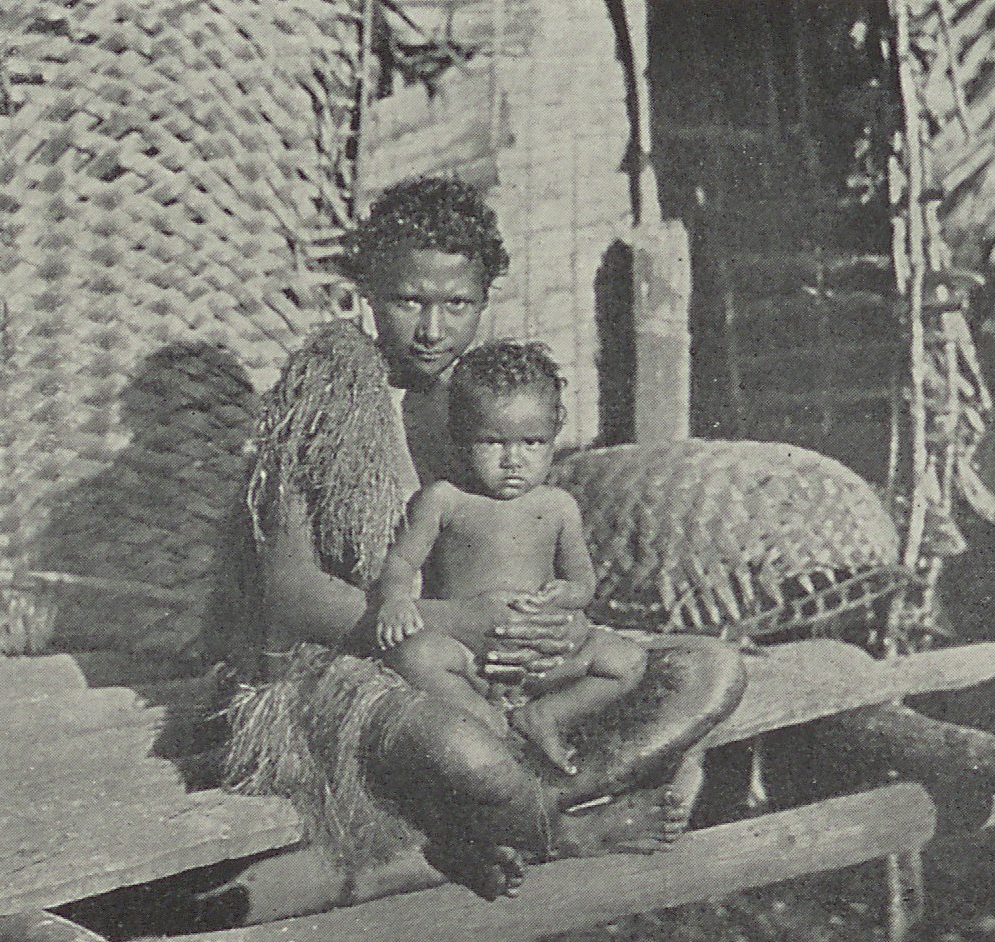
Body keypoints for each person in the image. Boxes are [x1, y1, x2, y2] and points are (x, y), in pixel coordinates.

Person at [227, 177, 745, 905]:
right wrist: (453, 621)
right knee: (467, 754)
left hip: (509, 669)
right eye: (409, 301)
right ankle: (555, 831)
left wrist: (552, 622)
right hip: (367, 665)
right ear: (368, 292)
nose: (433, 330)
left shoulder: (491, 401)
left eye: (457, 305)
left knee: (710, 671)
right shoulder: (324, 402)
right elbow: (288, 595)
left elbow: (533, 548)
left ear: (485, 299)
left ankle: (494, 821)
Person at [375, 341, 648, 774]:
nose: (513, 460)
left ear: (555, 434)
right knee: (416, 657)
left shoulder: (557, 506)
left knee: (625, 660)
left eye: (532, 442)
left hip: (543, 663)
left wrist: (565, 594)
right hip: (470, 659)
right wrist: (395, 599)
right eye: (492, 442)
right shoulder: (444, 501)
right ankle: (493, 729)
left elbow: (583, 584)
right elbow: (401, 563)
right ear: (460, 434)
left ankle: (546, 715)